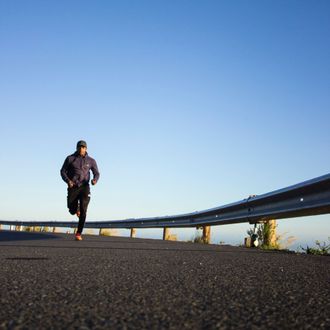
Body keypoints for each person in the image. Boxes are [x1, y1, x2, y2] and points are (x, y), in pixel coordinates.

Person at [60, 140, 100, 240]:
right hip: (73, 186)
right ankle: (75, 209)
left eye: (83, 147)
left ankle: (79, 233)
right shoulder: (70, 158)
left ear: (86, 149)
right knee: (71, 209)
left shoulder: (91, 160)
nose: (81, 149)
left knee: (84, 210)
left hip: (85, 187)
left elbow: (97, 173)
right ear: (77, 148)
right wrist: (68, 181)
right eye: (79, 147)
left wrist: (95, 180)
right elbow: (62, 171)